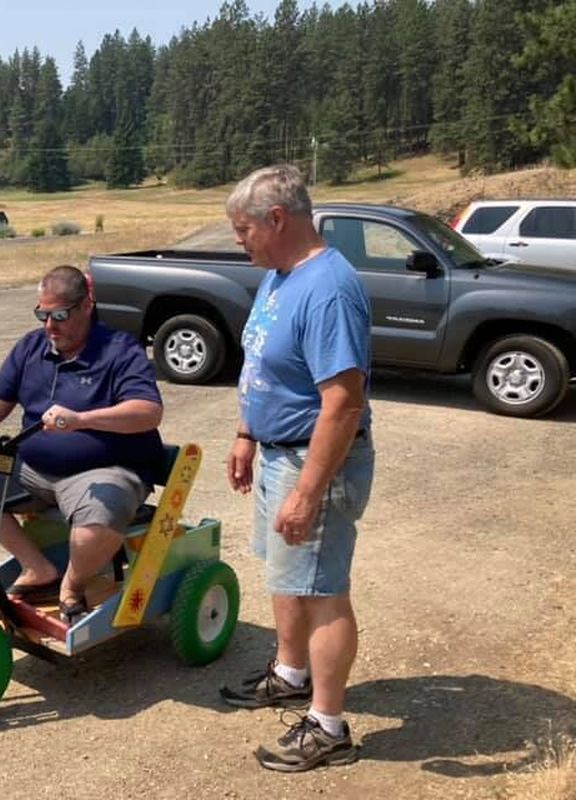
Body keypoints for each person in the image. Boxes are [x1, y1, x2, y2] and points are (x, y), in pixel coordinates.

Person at [218, 165, 376, 772]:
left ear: (276, 220)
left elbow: (342, 401)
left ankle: (329, 726)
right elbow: (263, 364)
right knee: (289, 576)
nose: (239, 240)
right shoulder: (280, 276)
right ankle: (290, 674)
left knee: (322, 590)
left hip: (315, 463)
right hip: (278, 452)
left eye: (242, 229)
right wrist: (244, 434)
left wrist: (309, 491)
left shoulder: (329, 288)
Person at [0, 265, 166, 622]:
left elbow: (148, 412)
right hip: (33, 470)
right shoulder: (31, 347)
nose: (49, 325)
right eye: (42, 314)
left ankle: (72, 586)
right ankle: (37, 567)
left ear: (87, 305)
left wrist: (82, 420)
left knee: (98, 519)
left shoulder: (120, 350)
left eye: (59, 315)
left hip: (102, 470)